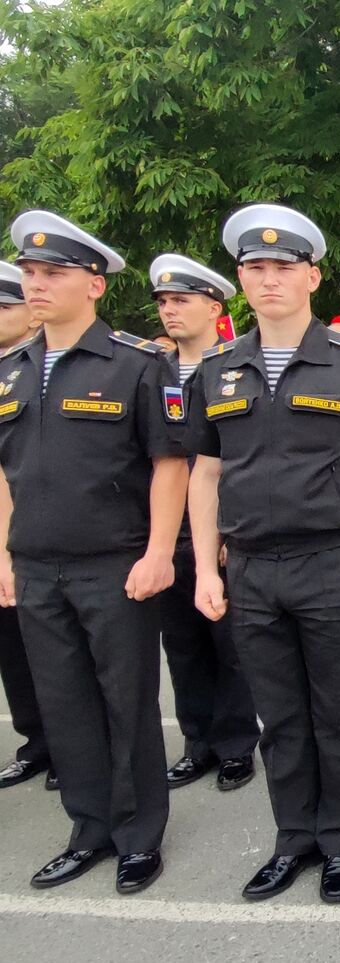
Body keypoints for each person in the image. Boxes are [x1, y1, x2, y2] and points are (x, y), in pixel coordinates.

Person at [188, 203, 340, 904]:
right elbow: (205, 474)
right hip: (250, 567)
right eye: (255, 267)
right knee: (278, 716)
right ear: (241, 278)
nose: (269, 278)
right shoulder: (220, 369)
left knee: (337, 711)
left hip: (332, 562)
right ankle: (294, 839)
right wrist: (203, 566)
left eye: (284, 266)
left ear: (312, 275)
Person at [0, 211, 187, 894]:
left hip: (115, 562)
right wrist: (3, 558)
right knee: (64, 702)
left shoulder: (137, 363)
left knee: (125, 699)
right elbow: (5, 473)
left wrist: (160, 550)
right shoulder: (12, 370)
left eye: (53, 273)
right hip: (36, 564)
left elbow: (170, 464)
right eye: (30, 273)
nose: (37, 285)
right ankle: (89, 828)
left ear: (95, 285)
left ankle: (138, 835)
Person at [150, 254, 260, 792]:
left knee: (229, 645)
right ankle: (198, 743)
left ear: (214, 307)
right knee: (184, 644)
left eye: (181, 300)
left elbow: (242, 459)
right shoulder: (150, 371)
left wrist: (222, 533)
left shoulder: (236, 366)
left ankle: (237, 745)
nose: (170, 310)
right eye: (164, 302)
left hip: (222, 531)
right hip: (169, 534)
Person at [0, 259, 53, 792]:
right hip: (10, 539)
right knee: (14, 655)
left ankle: (67, 747)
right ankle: (38, 741)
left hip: (44, 534)